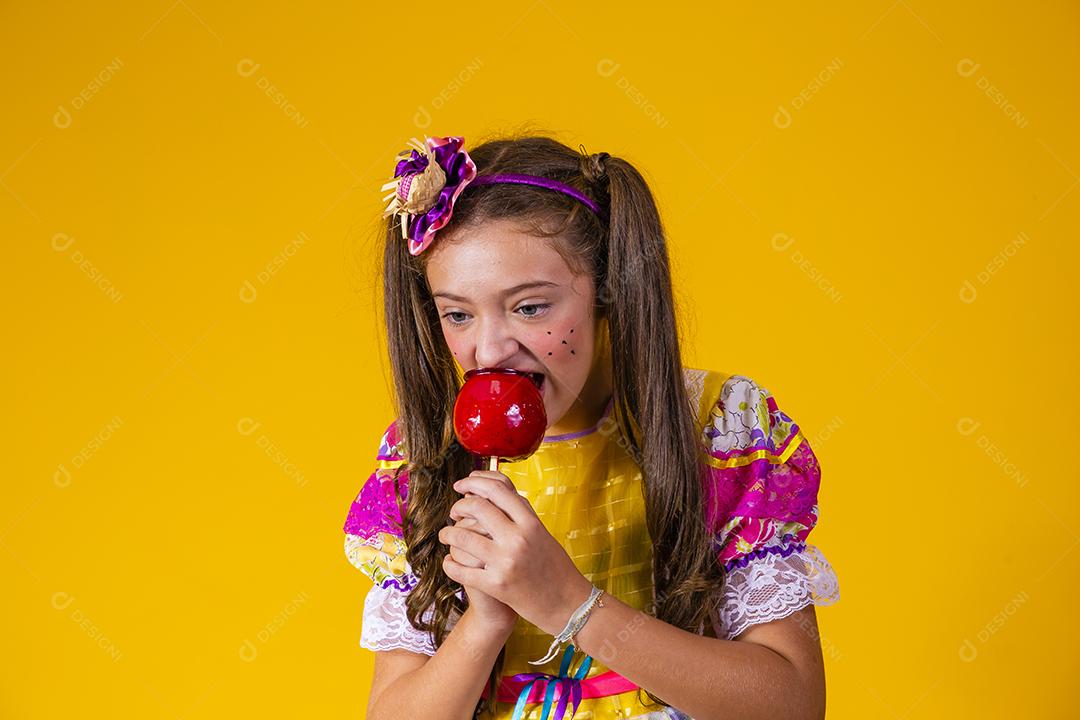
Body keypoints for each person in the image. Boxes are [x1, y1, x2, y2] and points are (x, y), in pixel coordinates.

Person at [342, 133, 840, 720]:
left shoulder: (716, 427)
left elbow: (792, 705)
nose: (489, 350)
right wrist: (486, 621)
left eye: (530, 307)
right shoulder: (422, 457)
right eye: (457, 314)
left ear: (608, 292)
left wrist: (568, 603)